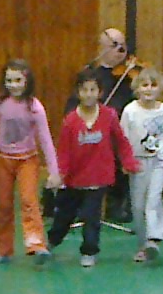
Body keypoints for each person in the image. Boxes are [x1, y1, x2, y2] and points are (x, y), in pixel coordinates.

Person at [48, 70, 137, 267]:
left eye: (92, 90)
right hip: (74, 179)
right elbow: (63, 151)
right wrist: (59, 174)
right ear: (78, 92)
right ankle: (52, 241)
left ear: (100, 92)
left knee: (92, 215)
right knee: (64, 215)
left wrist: (128, 162)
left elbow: (121, 142)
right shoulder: (70, 121)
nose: (88, 94)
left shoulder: (109, 116)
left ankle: (89, 250)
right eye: (84, 90)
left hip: (98, 178)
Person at [0, 59, 60, 267]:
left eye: (18, 80)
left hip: (27, 159)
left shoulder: (34, 107)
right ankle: (4, 248)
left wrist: (54, 171)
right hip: (2, 159)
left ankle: (36, 244)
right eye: (9, 80)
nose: (13, 85)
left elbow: (45, 139)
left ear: (27, 81)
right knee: (4, 204)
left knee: (29, 200)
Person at [121, 66, 163, 264]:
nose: (149, 89)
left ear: (160, 88)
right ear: (137, 88)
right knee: (138, 204)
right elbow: (123, 137)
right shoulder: (130, 111)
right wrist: (126, 160)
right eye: (144, 85)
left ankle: (154, 238)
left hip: (159, 161)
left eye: (153, 85)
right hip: (137, 161)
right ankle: (142, 244)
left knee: (153, 199)